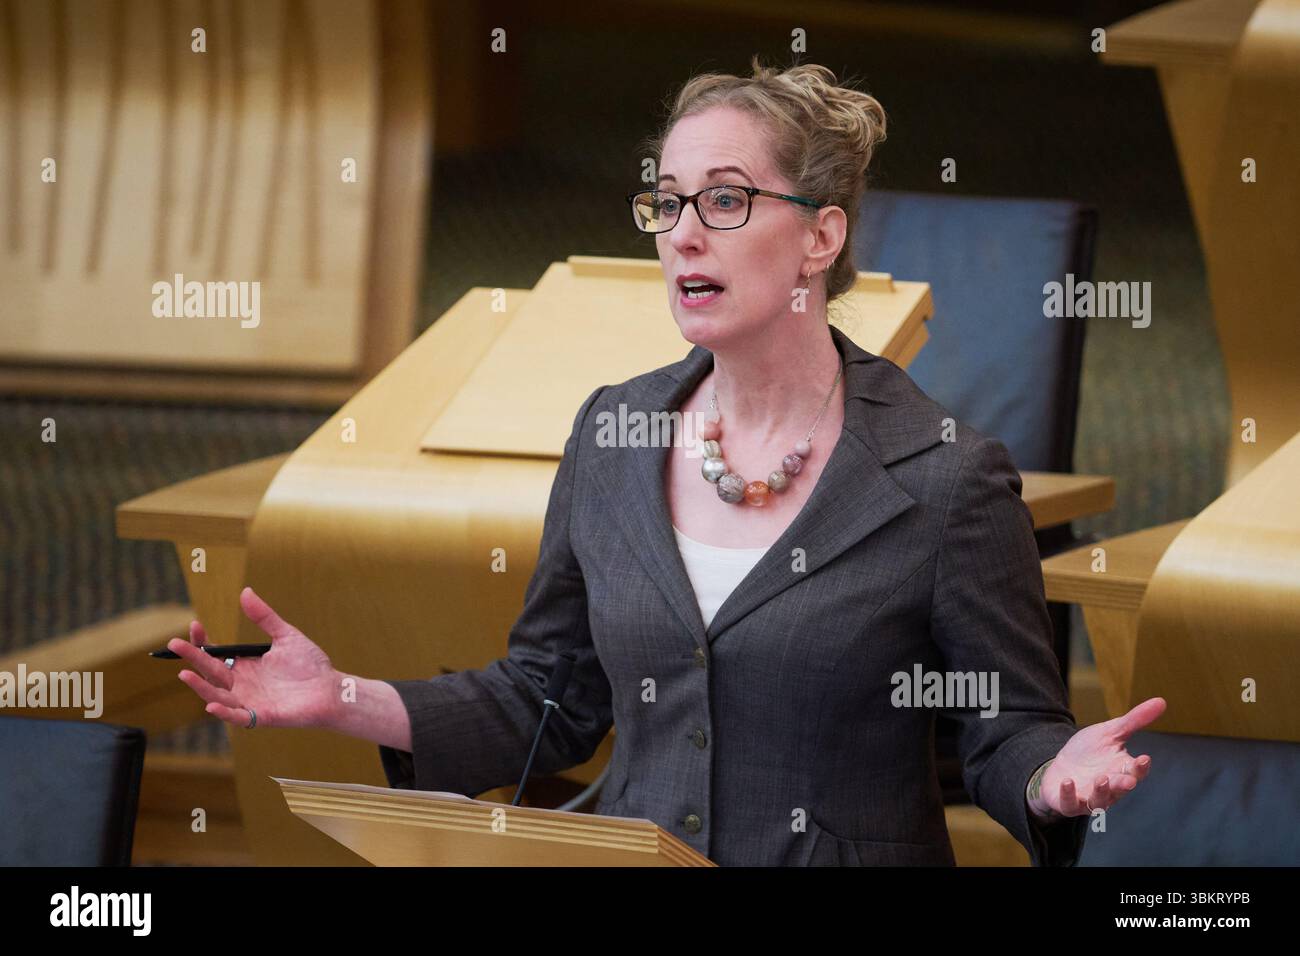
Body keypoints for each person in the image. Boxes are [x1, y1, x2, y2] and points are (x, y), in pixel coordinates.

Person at [169, 57, 1165, 866]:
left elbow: (1004, 730)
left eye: (725, 201)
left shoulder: (943, 479)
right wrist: (342, 696)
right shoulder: (615, 432)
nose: (683, 232)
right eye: (667, 201)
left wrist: (1050, 775)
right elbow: (548, 695)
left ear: (822, 235)